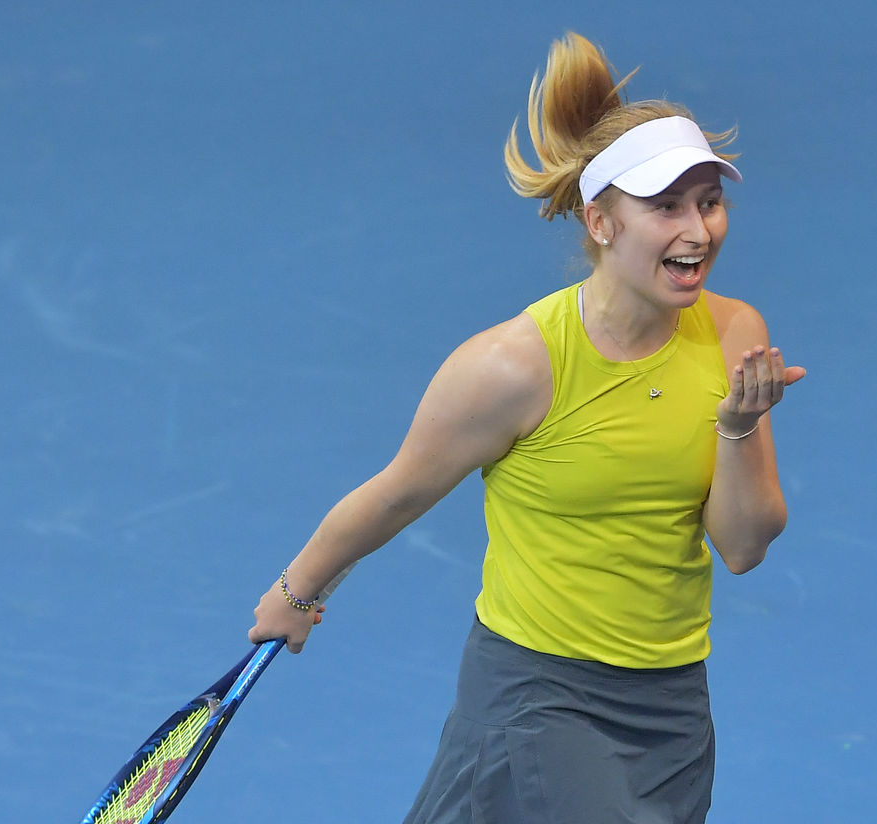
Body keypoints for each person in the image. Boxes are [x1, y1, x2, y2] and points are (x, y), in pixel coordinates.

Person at [249, 31, 805, 824]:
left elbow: (744, 549)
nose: (698, 229)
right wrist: (295, 591)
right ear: (602, 222)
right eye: (667, 207)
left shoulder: (732, 333)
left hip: (672, 699)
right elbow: (398, 493)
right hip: (539, 694)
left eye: (709, 202)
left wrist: (740, 430)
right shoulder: (513, 367)